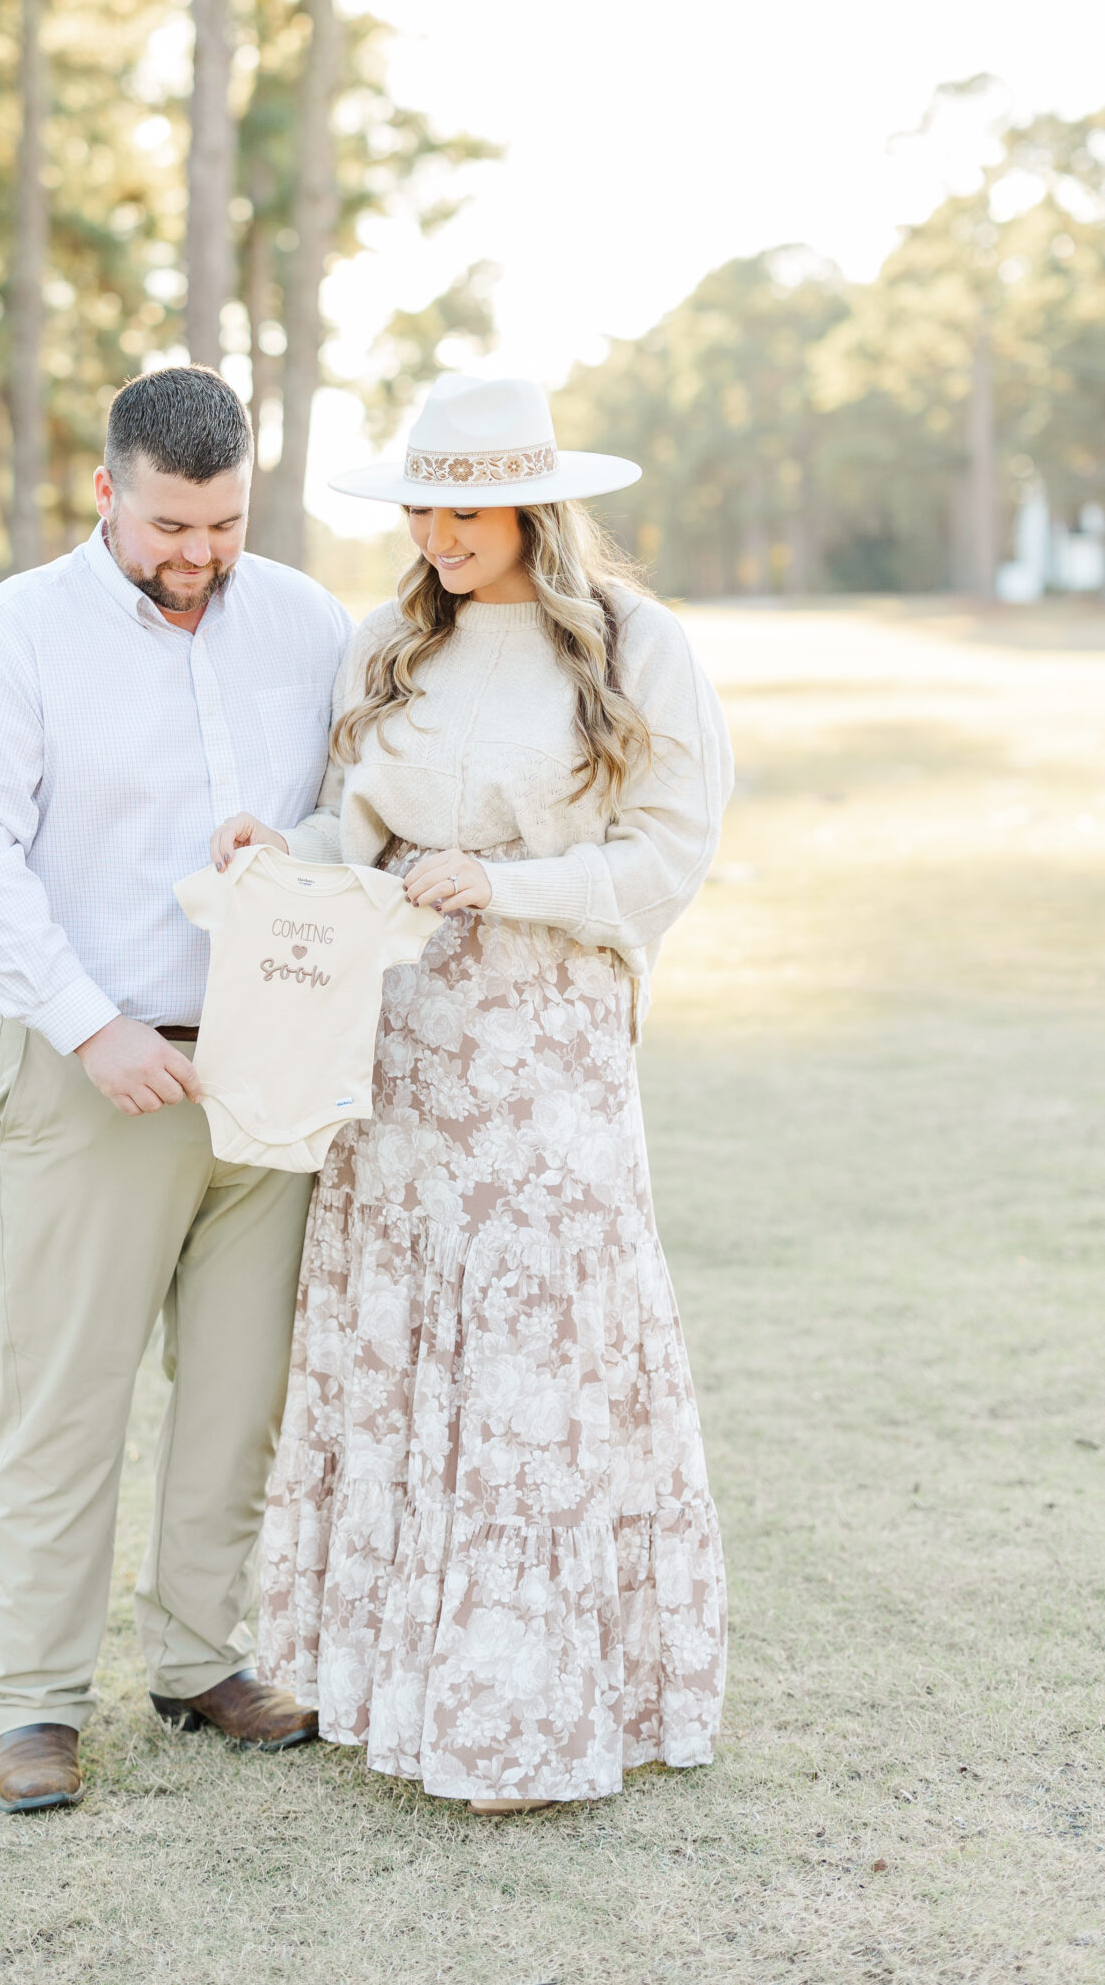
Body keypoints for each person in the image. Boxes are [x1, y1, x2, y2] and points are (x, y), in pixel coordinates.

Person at [210, 373, 733, 1814]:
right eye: (420, 505)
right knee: (407, 1340)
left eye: (466, 506)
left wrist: (508, 884)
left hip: (552, 1045)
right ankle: (404, 1684)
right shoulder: (385, 644)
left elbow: (666, 857)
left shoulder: (637, 646)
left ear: (532, 504)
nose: (438, 531)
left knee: (537, 1353)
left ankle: (544, 1698)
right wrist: (292, 847)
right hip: (406, 1044)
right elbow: (354, 829)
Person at [0, 365, 351, 1814]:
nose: (197, 556)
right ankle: (33, 1703)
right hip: (94, 1066)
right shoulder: (10, 639)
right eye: (170, 524)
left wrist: (292, 846)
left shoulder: (306, 622)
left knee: (238, 1395)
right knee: (65, 1397)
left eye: (221, 524)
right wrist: (93, 1027)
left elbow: (359, 808)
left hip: (266, 1064)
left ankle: (200, 1660)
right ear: (106, 492)